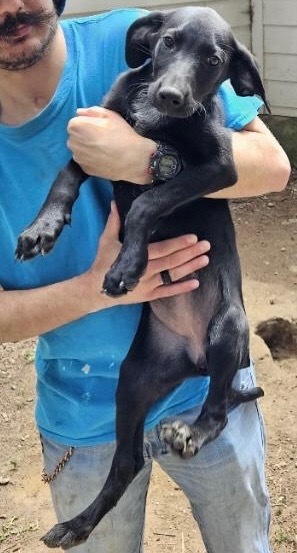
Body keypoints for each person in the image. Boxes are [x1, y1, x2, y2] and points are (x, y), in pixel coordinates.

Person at [0, 1, 290, 552]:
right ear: (152, 46)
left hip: (207, 377)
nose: (9, 6)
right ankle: (102, 502)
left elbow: (268, 166)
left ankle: (220, 405)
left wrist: (144, 163)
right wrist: (91, 286)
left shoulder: (134, 38)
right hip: (87, 407)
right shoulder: (137, 73)